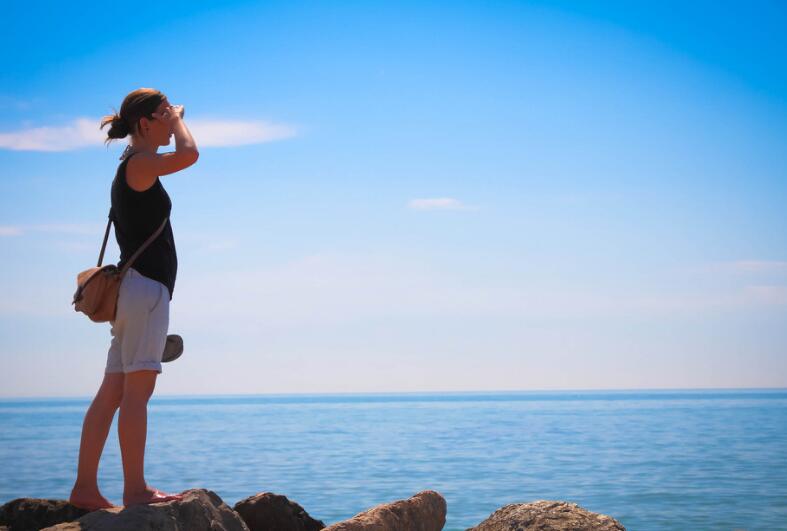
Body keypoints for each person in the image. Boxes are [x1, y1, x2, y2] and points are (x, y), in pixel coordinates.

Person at [69, 88, 199, 510]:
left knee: (112, 393)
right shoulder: (141, 164)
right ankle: (136, 490)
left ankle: (86, 489)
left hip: (134, 292)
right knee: (135, 396)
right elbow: (190, 154)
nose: (170, 122)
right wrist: (179, 121)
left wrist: (171, 116)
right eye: (162, 117)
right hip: (145, 292)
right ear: (146, 123)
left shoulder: (132, 165)